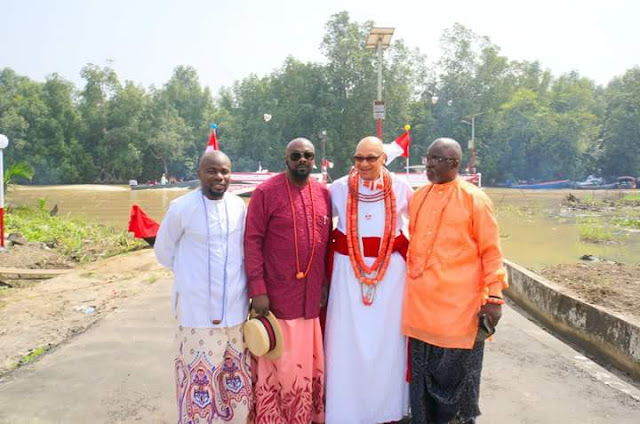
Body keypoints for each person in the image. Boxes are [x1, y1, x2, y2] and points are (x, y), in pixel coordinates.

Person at [403, 138, 507, 424]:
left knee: (458, 391)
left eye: (437, 159)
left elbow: (491, 252)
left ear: (455, 164)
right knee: (422, 389)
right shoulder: (419, 197)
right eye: (428, 158)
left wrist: (494, 297)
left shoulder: (475, 199)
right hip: (421, 313)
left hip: (460, 313)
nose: (429, 164)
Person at [154, 151, 252, 423]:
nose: (219, 177)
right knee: (200, 383)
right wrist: (192, 279)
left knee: (235, 381)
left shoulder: (238, 206)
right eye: (212, 171)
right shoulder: (181, 208)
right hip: (196, 314)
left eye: (224, 171)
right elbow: (164, 252)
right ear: (199, 174)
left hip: (236, 312)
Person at [324, 136, 412, 423]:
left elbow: (422, 224)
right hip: (347, 272)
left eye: (371, 158)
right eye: (358, 158)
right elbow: (317, 220)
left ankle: (387, 409)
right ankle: (344, 410)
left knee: (388, 340)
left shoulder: (401, 187)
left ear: (384, 159)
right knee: (343, 340)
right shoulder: (338, 188)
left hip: (391, 275)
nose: (363, 164)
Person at [244, 138, 332, 423]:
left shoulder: (323, 193)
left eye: (308, 155)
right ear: (286, 159)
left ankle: (306, 416)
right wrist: (258, 289)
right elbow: (252, 241)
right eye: (296, 156)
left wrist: (324, 282)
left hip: (310, 299)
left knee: (307, 363)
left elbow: (326, 243)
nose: (302, 160)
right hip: (277, 298)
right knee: (279, 363)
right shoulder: (265, 192)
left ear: (314, 160)